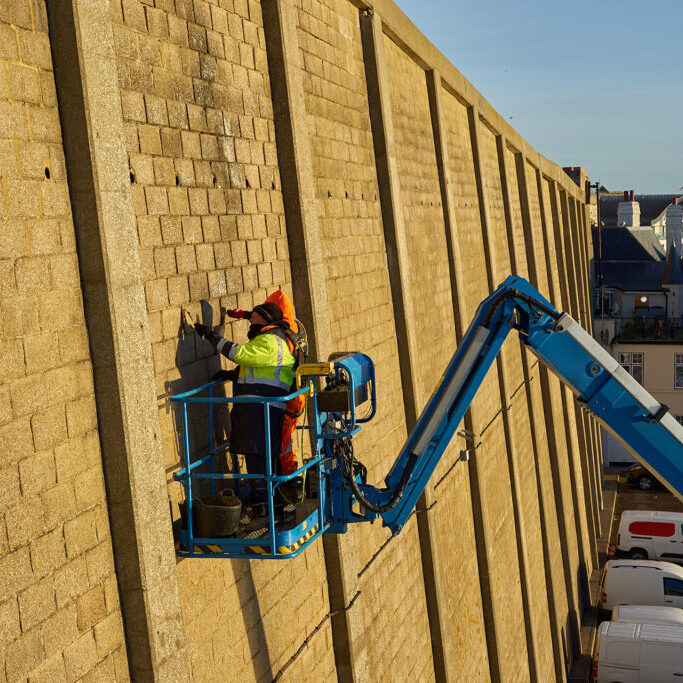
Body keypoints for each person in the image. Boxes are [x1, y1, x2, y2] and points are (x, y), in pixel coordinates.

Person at [194, 292, 299, 519]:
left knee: (260, 463)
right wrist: (233, 375)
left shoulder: (271, 341)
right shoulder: (272, 339)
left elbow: (240, 354)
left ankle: (269, 509)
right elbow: (259, 371)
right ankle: (268, 507)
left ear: (267, 320)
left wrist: (211, 337)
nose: (251, 319)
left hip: (262, 413)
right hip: (259, 412)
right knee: (259, 462)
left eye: (255, 316)